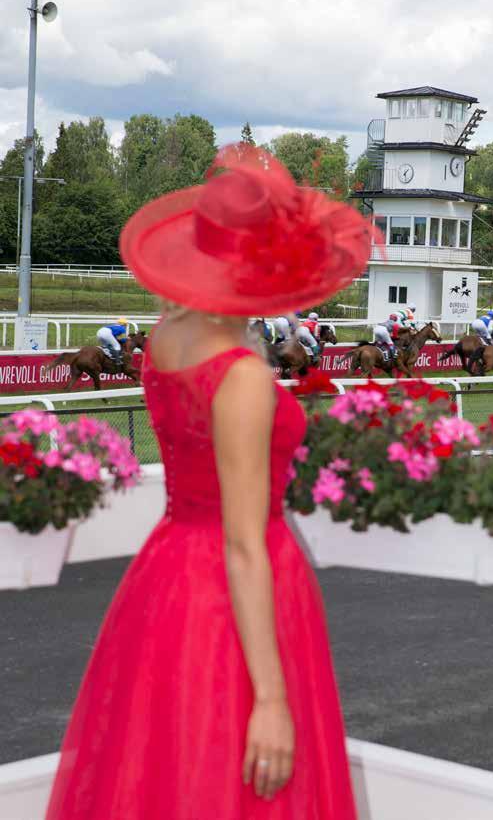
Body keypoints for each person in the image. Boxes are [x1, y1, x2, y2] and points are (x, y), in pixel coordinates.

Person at [45, 146, 365, 820]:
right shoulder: (242, 374)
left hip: (167, 578)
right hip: (236, 592)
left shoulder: (170, 333)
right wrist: (271, 700)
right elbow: (243, 543)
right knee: (236, 781)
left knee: (164, 774)